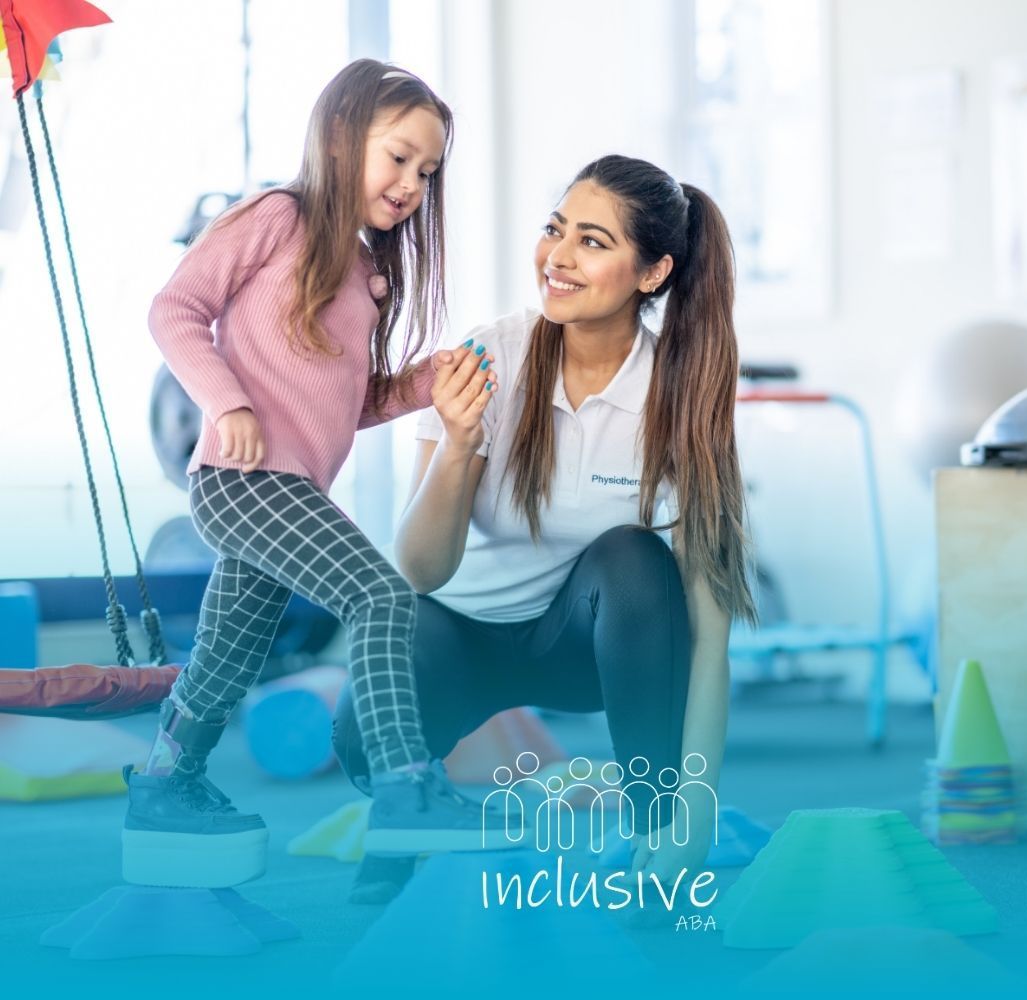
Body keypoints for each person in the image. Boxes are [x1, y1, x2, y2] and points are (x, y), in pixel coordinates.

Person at [333, 153, 756, 900]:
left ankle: (648, 828)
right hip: (457, 634)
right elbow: (421, 571)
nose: (557, 258)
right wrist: (460, 446)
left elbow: (709, 634)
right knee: (358, 731)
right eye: (555, 230)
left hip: (584, 650)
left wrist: (693, 818)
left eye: (592, 242)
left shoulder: (679, 397)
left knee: (634, 560)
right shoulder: (490, 355)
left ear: (651, 273)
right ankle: (406, 812)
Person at [126, 59, 502, 889]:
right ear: (341, 137)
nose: (411, 184)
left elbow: (344, 404)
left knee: (226, 655)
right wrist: (227, 403)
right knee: (381, 595)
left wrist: (419, 384)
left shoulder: (365, 273)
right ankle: (408, 788)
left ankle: (163, 781)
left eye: (427, 172)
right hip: (241, 480)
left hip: (289, 490)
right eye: (399, 156)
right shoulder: (275, 216)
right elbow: (174, 310)